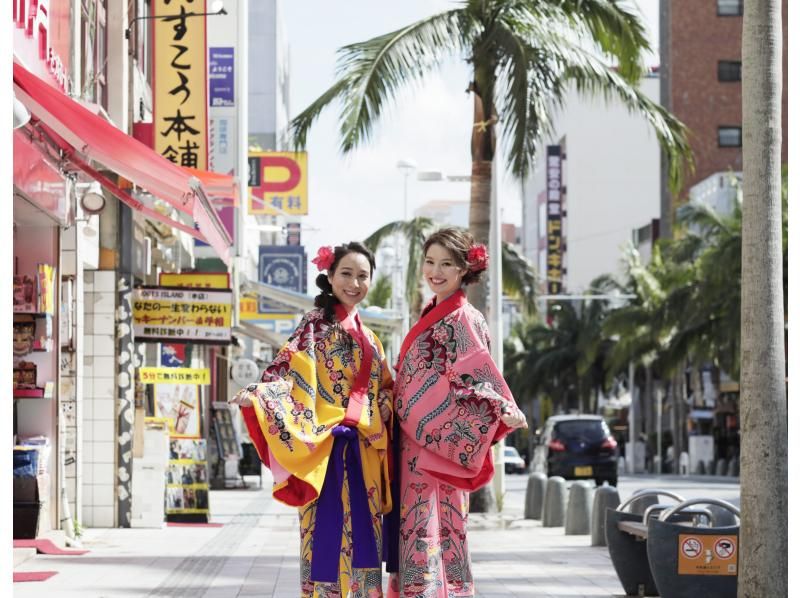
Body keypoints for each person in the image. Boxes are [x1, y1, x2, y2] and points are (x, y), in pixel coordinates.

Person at [229, 242, 394, 597]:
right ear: (330, 277)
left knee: (368, 545)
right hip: (325, 451)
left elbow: (386, 387)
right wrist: (259, 395)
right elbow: (285, 371)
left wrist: (385, 404)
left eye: (362, 276)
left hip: (364, 456)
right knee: (323, 540)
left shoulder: (372, 339)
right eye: (346, 274)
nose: (354, 283)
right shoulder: (313, 327)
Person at [386, 228, 527, 597]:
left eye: (447, 264)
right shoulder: (436, 312)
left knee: (433, 526)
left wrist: (498, 406)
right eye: (430, 262)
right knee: (423, 527)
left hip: (436, 442)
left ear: (465, 268)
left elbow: (474, 378)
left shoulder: (464, 317)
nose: (436, 271)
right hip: (417, 442)